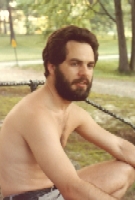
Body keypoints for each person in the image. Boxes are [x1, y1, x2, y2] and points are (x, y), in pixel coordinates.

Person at [0, 25, 135, 200]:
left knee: (124, 170)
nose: (84, 73)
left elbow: (120, 147)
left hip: (51, 190)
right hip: (27, 197)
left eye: (90, 65)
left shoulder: (70, 111)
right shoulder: (35, 114)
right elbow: (71, 188)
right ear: (52, 67)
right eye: (75, 63)